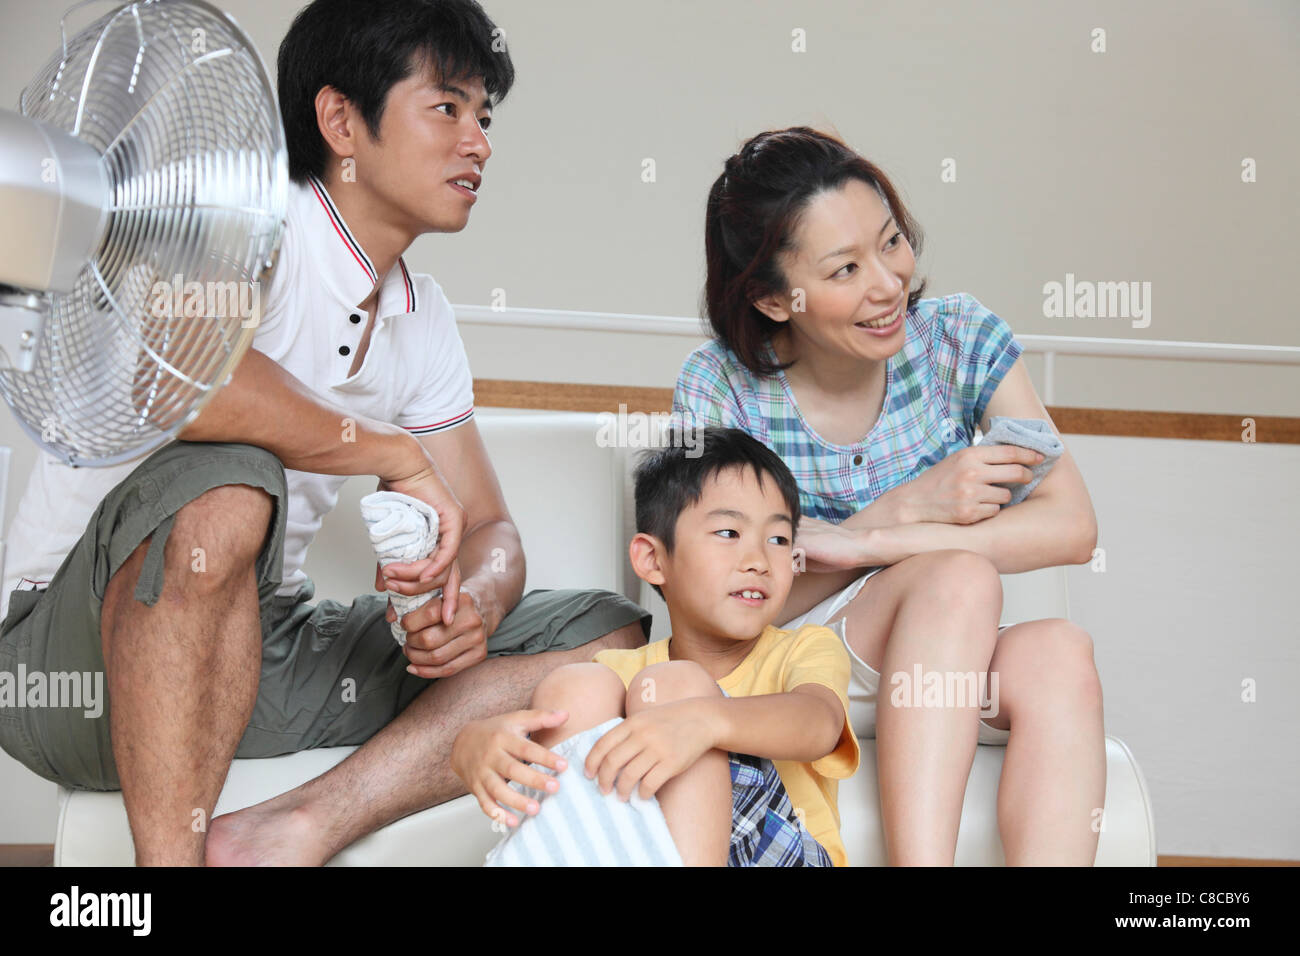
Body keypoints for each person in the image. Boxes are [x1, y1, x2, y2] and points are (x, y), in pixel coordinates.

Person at [0, 0, 648, 866]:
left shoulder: (425, 318)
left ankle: (301, 825)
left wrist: (476, 605)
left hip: (253, 647)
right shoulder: (241, 225)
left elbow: (491, 528)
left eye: (484, 117)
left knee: (608, 634)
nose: (479, 143)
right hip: (69, 660)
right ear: (341, 118)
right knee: (233, 478)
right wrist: (388, 449)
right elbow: (183, 386)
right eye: (448, 107)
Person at [672, 127, 1105, 865]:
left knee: (1059, 652)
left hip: (937, 662)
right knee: (958, 574)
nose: (887, 283)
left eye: (891, 242)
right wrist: (910, 505)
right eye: (845, 269)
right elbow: (719, 601)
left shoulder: (958, 340)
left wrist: (872, 543)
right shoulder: (717, 386)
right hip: (796, 666)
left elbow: (1072, 527)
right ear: (777, 299)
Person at [454, 426, 860, 866]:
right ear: (653, 559)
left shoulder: (803, 647)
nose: (759, 560)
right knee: (577, 686)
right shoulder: (619, 674)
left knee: (675, 686)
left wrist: (705, 721)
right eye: (728, 533)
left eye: (778, 539)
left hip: (785, 856)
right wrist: (470, 747)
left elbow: (819, 725)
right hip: (647, 852)